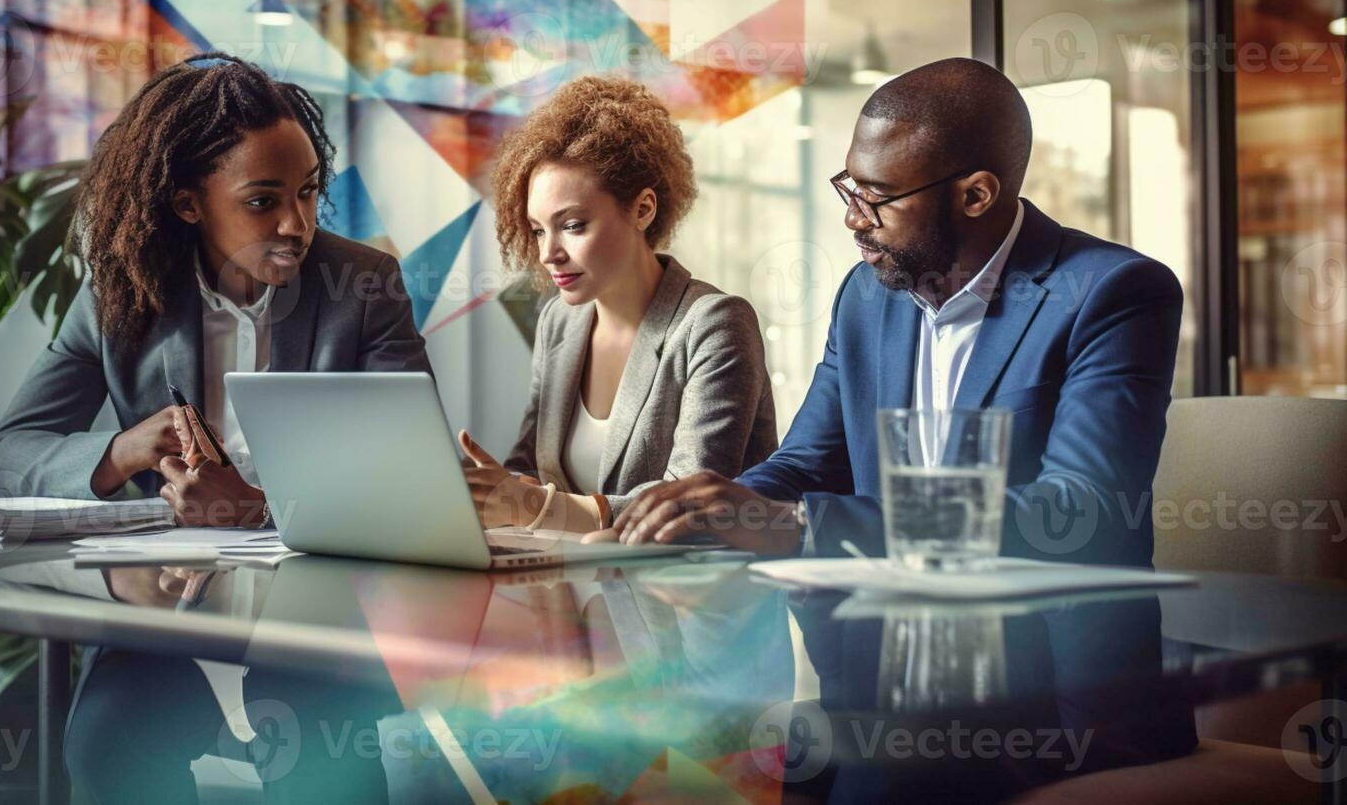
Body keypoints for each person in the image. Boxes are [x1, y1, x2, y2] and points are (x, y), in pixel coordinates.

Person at [594, 57, 1184, 565]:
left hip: (1053, 668)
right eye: (849, 189)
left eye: (877, 199)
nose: (854, 218)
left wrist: (799, 526)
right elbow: (807, 465)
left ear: (976, 195)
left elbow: (1081, 509)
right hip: (876, 656)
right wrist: (709, 512)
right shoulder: (867, 295)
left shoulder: (1112, 293)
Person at [0, 53, 431, 525]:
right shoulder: (122, 291)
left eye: (308, 190)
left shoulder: (363, 284)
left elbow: (415, 473)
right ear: (188, 205)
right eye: (262, 201)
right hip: (176, 581)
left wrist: (257, 510)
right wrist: (122, 451)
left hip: (325, 580)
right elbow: (5, 460)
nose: (297, 224)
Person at [461, 76, 778, 533]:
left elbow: (688, 505)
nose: (548, 252)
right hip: (575, 589)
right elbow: (532, 468)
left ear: (643, 209)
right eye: (537, 230)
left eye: (572, 225)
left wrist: (534, 506)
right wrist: (488, 489)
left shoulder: (713, 324)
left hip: (693, 594)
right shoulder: (559, 321)